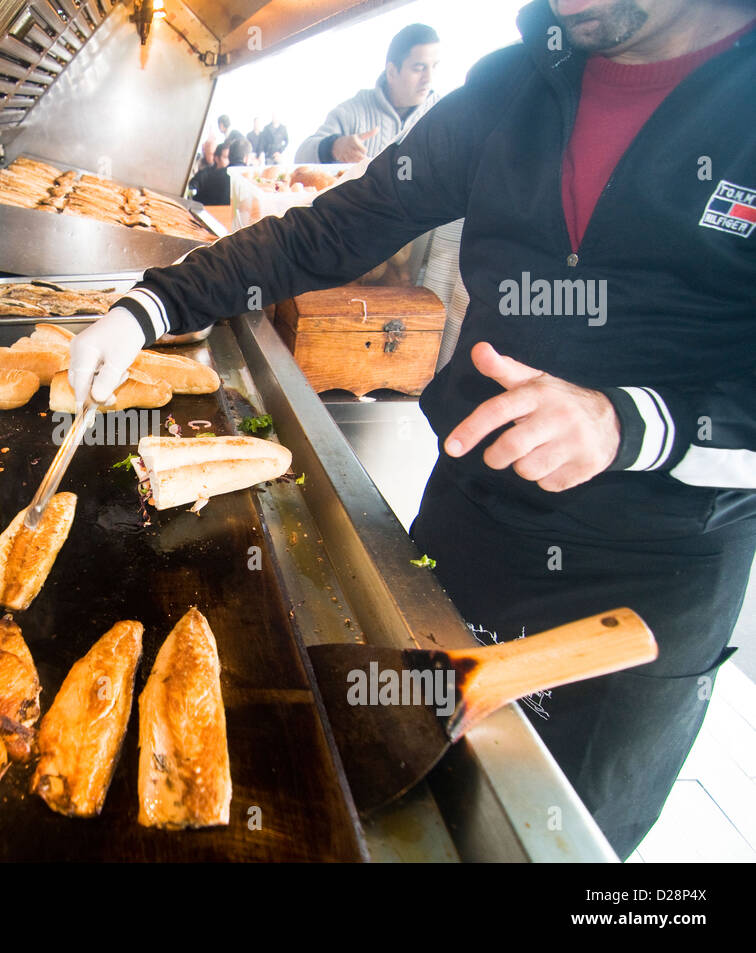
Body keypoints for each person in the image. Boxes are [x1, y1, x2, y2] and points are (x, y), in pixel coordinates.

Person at [70, 0, 756, 860]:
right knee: (408, 816)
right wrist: (153, 302)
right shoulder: (517, 80)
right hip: (467, 523)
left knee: (545, 837)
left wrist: (633, 421)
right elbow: (339, 227)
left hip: (644, 575)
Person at [295, 23, 441, 164]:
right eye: (419, 68)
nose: (429, 78)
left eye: (434, 67)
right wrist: (333, 148)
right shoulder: (351, 113)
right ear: (391, 72)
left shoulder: (445, 113)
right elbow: (301, 157)